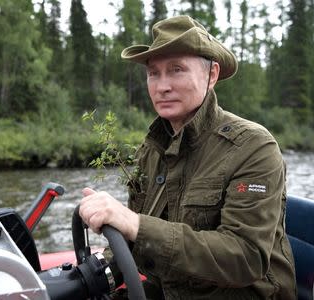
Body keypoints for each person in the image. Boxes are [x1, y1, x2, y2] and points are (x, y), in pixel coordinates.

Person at [79, 15, 297, 299]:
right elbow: (137, 240)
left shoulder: (253, 147)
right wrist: (96, 274)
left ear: (212, 75)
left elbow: (246, 257)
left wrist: (135, 223)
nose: (161, 86)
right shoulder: (152, 150)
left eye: (177, 69)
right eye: (153, 73)